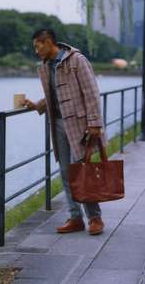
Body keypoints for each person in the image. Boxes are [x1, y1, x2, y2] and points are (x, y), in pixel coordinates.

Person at [24, 29, 105, 235]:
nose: (36, 51)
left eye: (38, 45)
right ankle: (75, 217)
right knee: (66, 171)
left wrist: (94, 123)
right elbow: (54, 95)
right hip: (57, 123)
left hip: (79, 124)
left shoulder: (77, 60)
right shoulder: (45, 66)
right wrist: (36, 105)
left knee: (82, 170)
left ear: (49, 42)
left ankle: (95, 218)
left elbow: (91, 93)